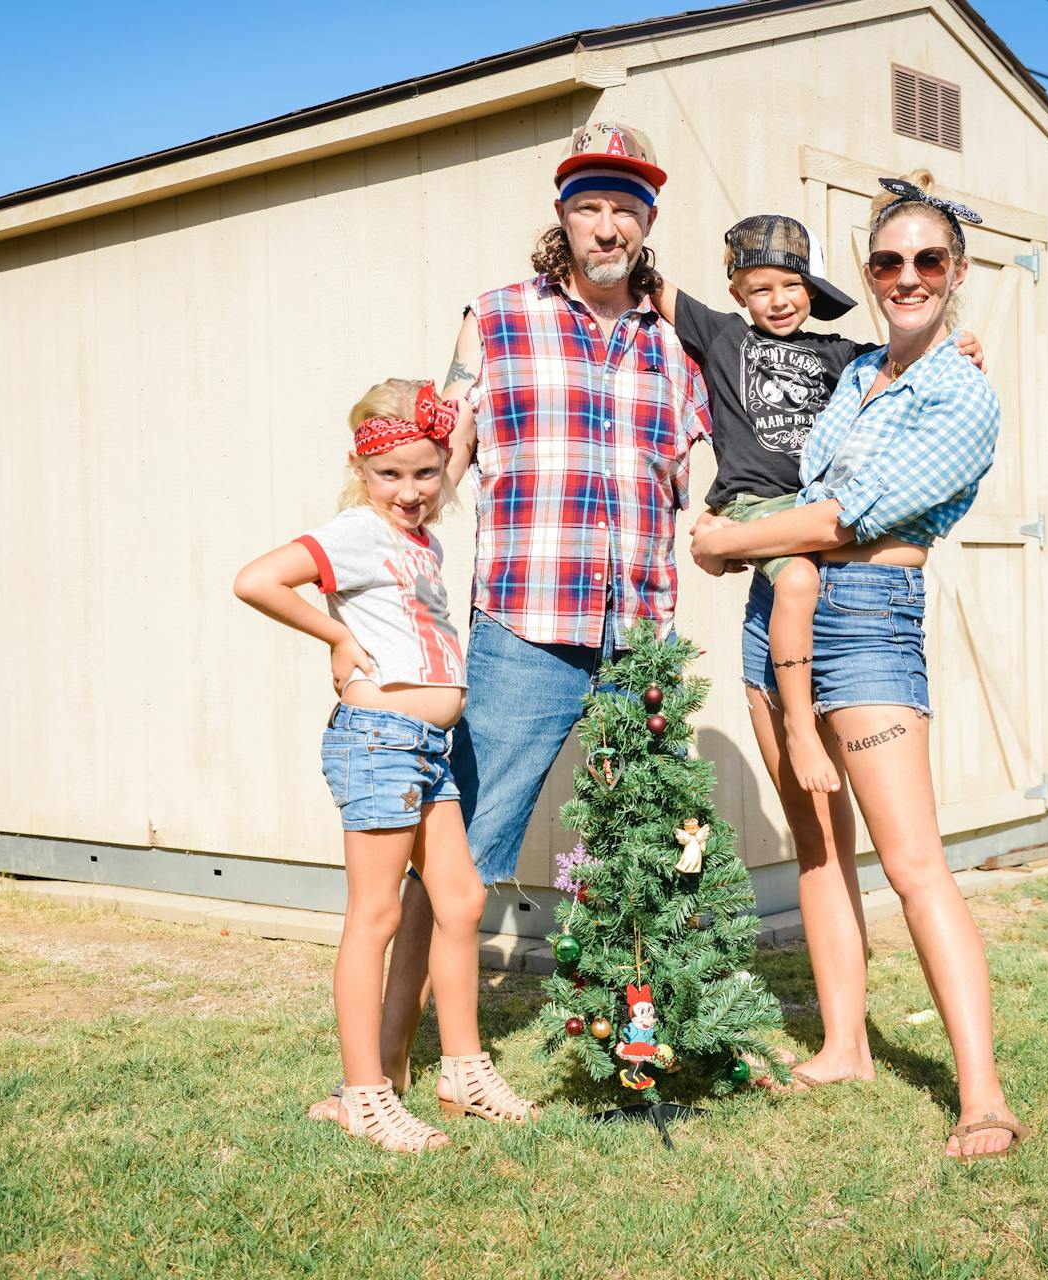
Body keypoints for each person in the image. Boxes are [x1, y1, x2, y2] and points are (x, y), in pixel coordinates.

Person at [363, 121, 713, 1102]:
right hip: (523, 625)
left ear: (647, 223)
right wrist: (387, 579)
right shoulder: (499, 317)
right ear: (563, 216)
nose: (608, 224)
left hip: (637, 634)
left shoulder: (678, 340)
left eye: (626, 208)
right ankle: (387, 1064)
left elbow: (763, 411)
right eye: (590, 205)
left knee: (644, 849)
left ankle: (637, 1052)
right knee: (459, 857)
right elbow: (439, 464)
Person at [690, 175, 1029, 1161]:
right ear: (872, 273)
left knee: (914, 861)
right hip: (779, 611)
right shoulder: (857, 373)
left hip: (869, 617)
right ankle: (844, 1044)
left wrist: (726, 542)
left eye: (930, 260)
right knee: (816, 842)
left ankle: (983, 1097)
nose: (909, 275)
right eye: (890, 260)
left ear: (957, 272)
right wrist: (745, 540)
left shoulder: (961, 395)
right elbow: (804, 476)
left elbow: (850, 514)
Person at [233, 379, 535, 1153]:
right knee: (377, 916)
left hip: (427, 749)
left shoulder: (423, 540)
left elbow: (457, 441)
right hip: (379, 740)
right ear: (361, 471)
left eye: (427, 473)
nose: (411, 490)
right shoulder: (356, 533)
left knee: (461, 899)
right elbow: (256, 579)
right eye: (390, 474)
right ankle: (362, 1096)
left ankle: (462, 1071)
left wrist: (465, 395)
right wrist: (333, 638)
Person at [655, 215, 983, 795]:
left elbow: (907, 360)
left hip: (807, 509)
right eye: (761, 289)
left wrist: (963, 345)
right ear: (738, 294)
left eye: (792, 286)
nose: (779, 301)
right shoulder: (724, 336)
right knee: (799, 581)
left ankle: (802, 721)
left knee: (801, 577)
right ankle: (801, 730)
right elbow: (655, 286)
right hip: (751, 502)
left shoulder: (843, 357)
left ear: (812, 290)